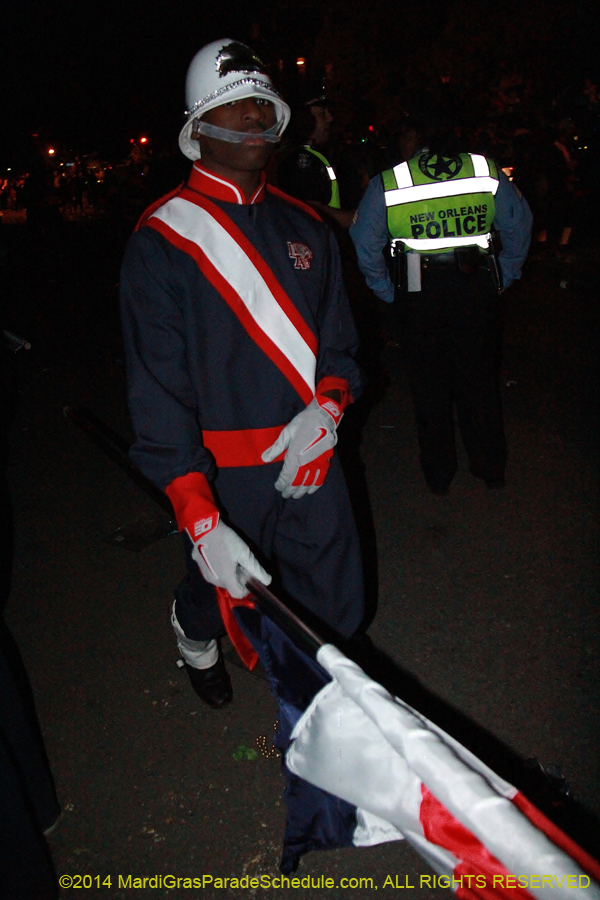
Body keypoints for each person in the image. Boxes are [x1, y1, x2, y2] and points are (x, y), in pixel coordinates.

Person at [120, 39, 365, 709]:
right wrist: (200, 516)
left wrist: (328, 412)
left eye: (263, 104)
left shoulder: (310, 227)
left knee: (336, 611)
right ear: (197, 129)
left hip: (310, 452)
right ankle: (191, 626)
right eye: (234, 105)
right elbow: (158, 394)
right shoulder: (163, 240)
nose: (253, 117)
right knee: (221, 583)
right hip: (224, 471)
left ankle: (321, 737)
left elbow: (340, 350)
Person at [350, 114, 532, 494]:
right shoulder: (484, 170)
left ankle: (439, 473)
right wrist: (505, 274)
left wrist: (387, 290)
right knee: (479, 379)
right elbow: (518, 224)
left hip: (418, 291)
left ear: (414, 137)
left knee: (428, 384)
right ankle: (489, 466)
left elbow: (364, 243)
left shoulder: (391, 181)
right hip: (475, 285)